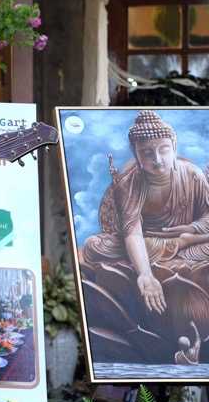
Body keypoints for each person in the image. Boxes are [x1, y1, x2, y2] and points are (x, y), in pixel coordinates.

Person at [82, 110, 209, 315]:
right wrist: (145, 274)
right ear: (136, 153)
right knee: (94, 246)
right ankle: (182, 243)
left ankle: (186, 241)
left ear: (174, 147)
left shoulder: (192, 174)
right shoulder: (129, 184)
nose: (157, 159)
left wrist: (191, 228)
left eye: (164, 150)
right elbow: (132, 232)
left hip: (189, 237)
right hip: (146, 242)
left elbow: (208, 216)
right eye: (147, 153)